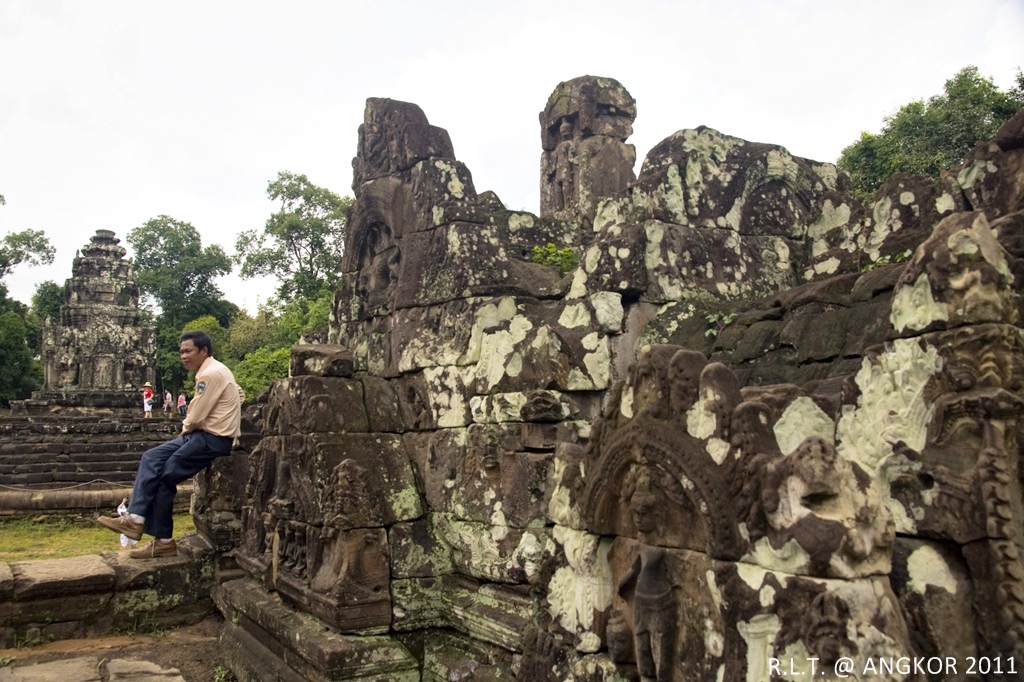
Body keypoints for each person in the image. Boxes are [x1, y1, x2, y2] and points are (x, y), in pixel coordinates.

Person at [96, 330, 244, 559]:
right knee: (151, 457)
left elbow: (195, 417)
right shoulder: (214, 371)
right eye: (181, 352)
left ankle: (162, 540)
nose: (183, 356)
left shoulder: (211, 374)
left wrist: (188, 426)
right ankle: (135, 519)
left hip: (212, 439)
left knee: (165, 476)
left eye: (188, 351)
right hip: (200, 436)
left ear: (203, 351)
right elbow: (239, 394)